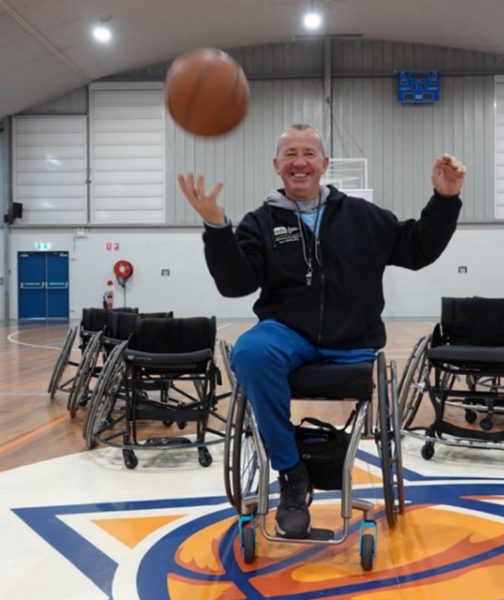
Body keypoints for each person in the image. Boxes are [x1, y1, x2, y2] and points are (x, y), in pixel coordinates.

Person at [178, 123, 466, 539]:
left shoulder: (364, 216)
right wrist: (217, 228)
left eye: (309, 153)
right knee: (250, 352)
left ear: (325, 164)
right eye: (290, 153)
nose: (300, 162)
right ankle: (292, 473)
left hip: (352, 340)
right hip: (288, 333)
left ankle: (308, 464)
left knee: (266, 353)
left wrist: (445, 198)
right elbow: (235, 284)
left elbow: (418, 249)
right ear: (277, 165)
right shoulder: (261, 222)